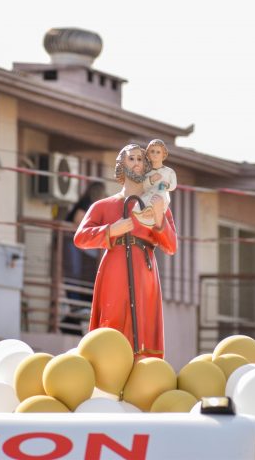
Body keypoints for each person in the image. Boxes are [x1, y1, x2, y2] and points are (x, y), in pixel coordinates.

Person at [74, 143, 177, 358]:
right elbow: (80, 238)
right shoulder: (103, 206)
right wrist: (111, 230)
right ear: (122, 164)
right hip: (114, 268)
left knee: (142, 320)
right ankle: (110, 360)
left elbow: (171, 246)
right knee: (113, 316)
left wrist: (159, 217)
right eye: (131, 158)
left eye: (141, 159)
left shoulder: (157, 204)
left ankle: (142, 364)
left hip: (144, 271)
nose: (137, 163)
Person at [60, 182, 106, 335]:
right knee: (73, 274)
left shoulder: (87, 203)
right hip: (71, 243)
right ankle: (75, 306)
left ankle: (77, 308)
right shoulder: (86, 204)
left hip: (75, 245)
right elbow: (78, 221)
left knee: (79, 275)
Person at [132, 139, 177, 227]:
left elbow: (174, 185)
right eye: (152, 151)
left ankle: (153, 214)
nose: (155, 154)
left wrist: (167, 185)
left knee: (159, 199)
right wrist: (151, 179)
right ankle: (145, 214)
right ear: (148, 154)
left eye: (158, 152)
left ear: (163, 154)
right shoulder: (146, 172)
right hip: (148, 195)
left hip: (162, 194)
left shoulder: (169, 171)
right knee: (140, 205)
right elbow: (143, 186)